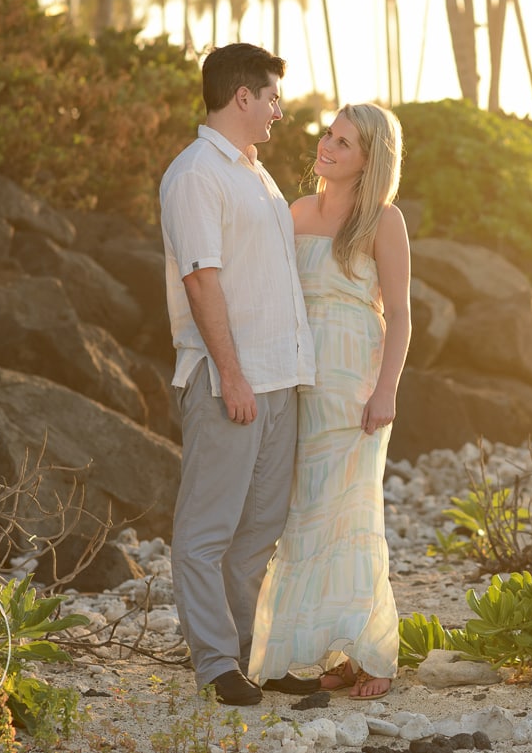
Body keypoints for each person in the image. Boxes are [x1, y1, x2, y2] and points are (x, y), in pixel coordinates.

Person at [159, 42, 323, 706]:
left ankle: (255, 652)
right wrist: (230, 374)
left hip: (280, 377)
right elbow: (201, 278)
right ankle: (217, 662)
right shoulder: (197, 173)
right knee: (206, 527)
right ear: (243, 96)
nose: (281, 111)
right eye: (274, 98)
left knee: (259, 527)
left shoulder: (254, 171)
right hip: (233, 377)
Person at [247, 103, 411, 700]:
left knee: (354, 511)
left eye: (345, 142)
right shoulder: (293, 213)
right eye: (328, 134)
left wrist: (386, 389)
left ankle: (374, 654)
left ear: (369, 160)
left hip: (355, 384)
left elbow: (400, 318)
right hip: (301, 377)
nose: (328, 146)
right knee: (306, 513)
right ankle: (328, 649)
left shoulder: (383, 222)